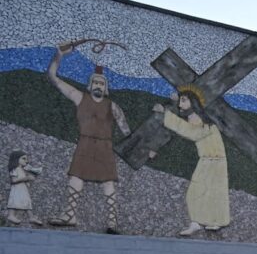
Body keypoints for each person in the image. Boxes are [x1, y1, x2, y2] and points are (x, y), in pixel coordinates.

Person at [47, 44, 132, 232]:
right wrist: (59, 56)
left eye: (102, 83)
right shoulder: (79, 97)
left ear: (105, 87)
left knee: (108, 181)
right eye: (96, 83)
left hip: (104, 147)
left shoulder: (113, 106)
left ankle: (112, 222)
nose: (99, 86)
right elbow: (54, 78)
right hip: (85, 143)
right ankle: (70, 216)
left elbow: (127, 132)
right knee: (76, 176)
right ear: (90, 84)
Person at [153, 86, 230, 236]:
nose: (181, 105)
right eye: (181, 101)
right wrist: (173, 103)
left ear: (193, 102)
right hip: (206, 160)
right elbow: (187, 129)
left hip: (216, 160)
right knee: (194, 192)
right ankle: (196, 223)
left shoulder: (204, 120)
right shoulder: (193, 118)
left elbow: (191, 133)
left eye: (184, 101)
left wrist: (166, 114)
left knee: (215, 193)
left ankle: (215, 222)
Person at [6, 151, 43, 226]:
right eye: (23, 158)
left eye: (26, 159)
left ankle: (31, 217)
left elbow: (25, 181)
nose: (26, 161)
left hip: (23, 189)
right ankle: (11, 215)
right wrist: (26, 178)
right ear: (16, 159)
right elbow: (13, 180)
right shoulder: (15, 169)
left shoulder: (22, 170)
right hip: (17, 189)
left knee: (27, 202)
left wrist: (29, 179)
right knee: (14, 202)